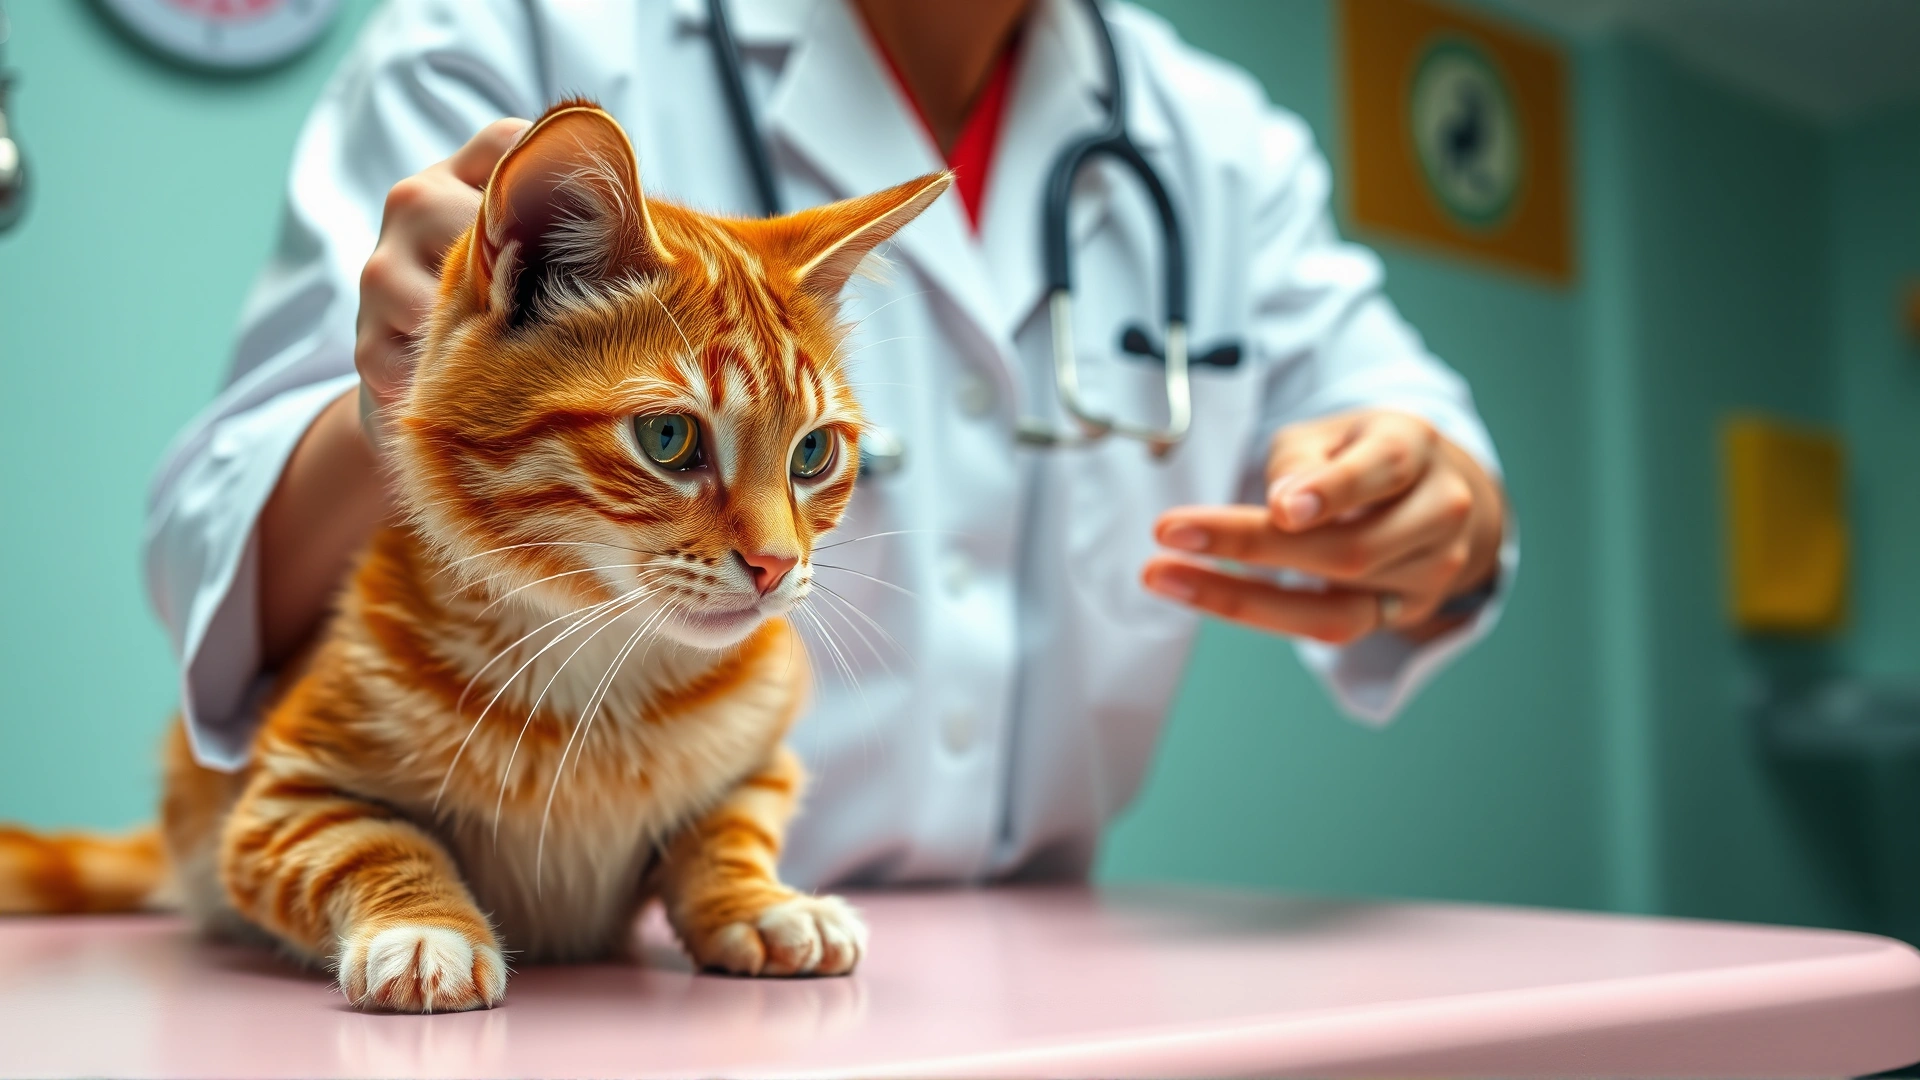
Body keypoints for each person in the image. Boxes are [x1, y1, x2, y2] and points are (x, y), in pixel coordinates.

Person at [146, 0, 1513, 889]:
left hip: (1040, 974)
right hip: (585, 976)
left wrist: (1435, 511)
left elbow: (1405, 420)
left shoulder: (1215, 146)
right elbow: (216, 534)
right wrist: (421, 391)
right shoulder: (518, 32)